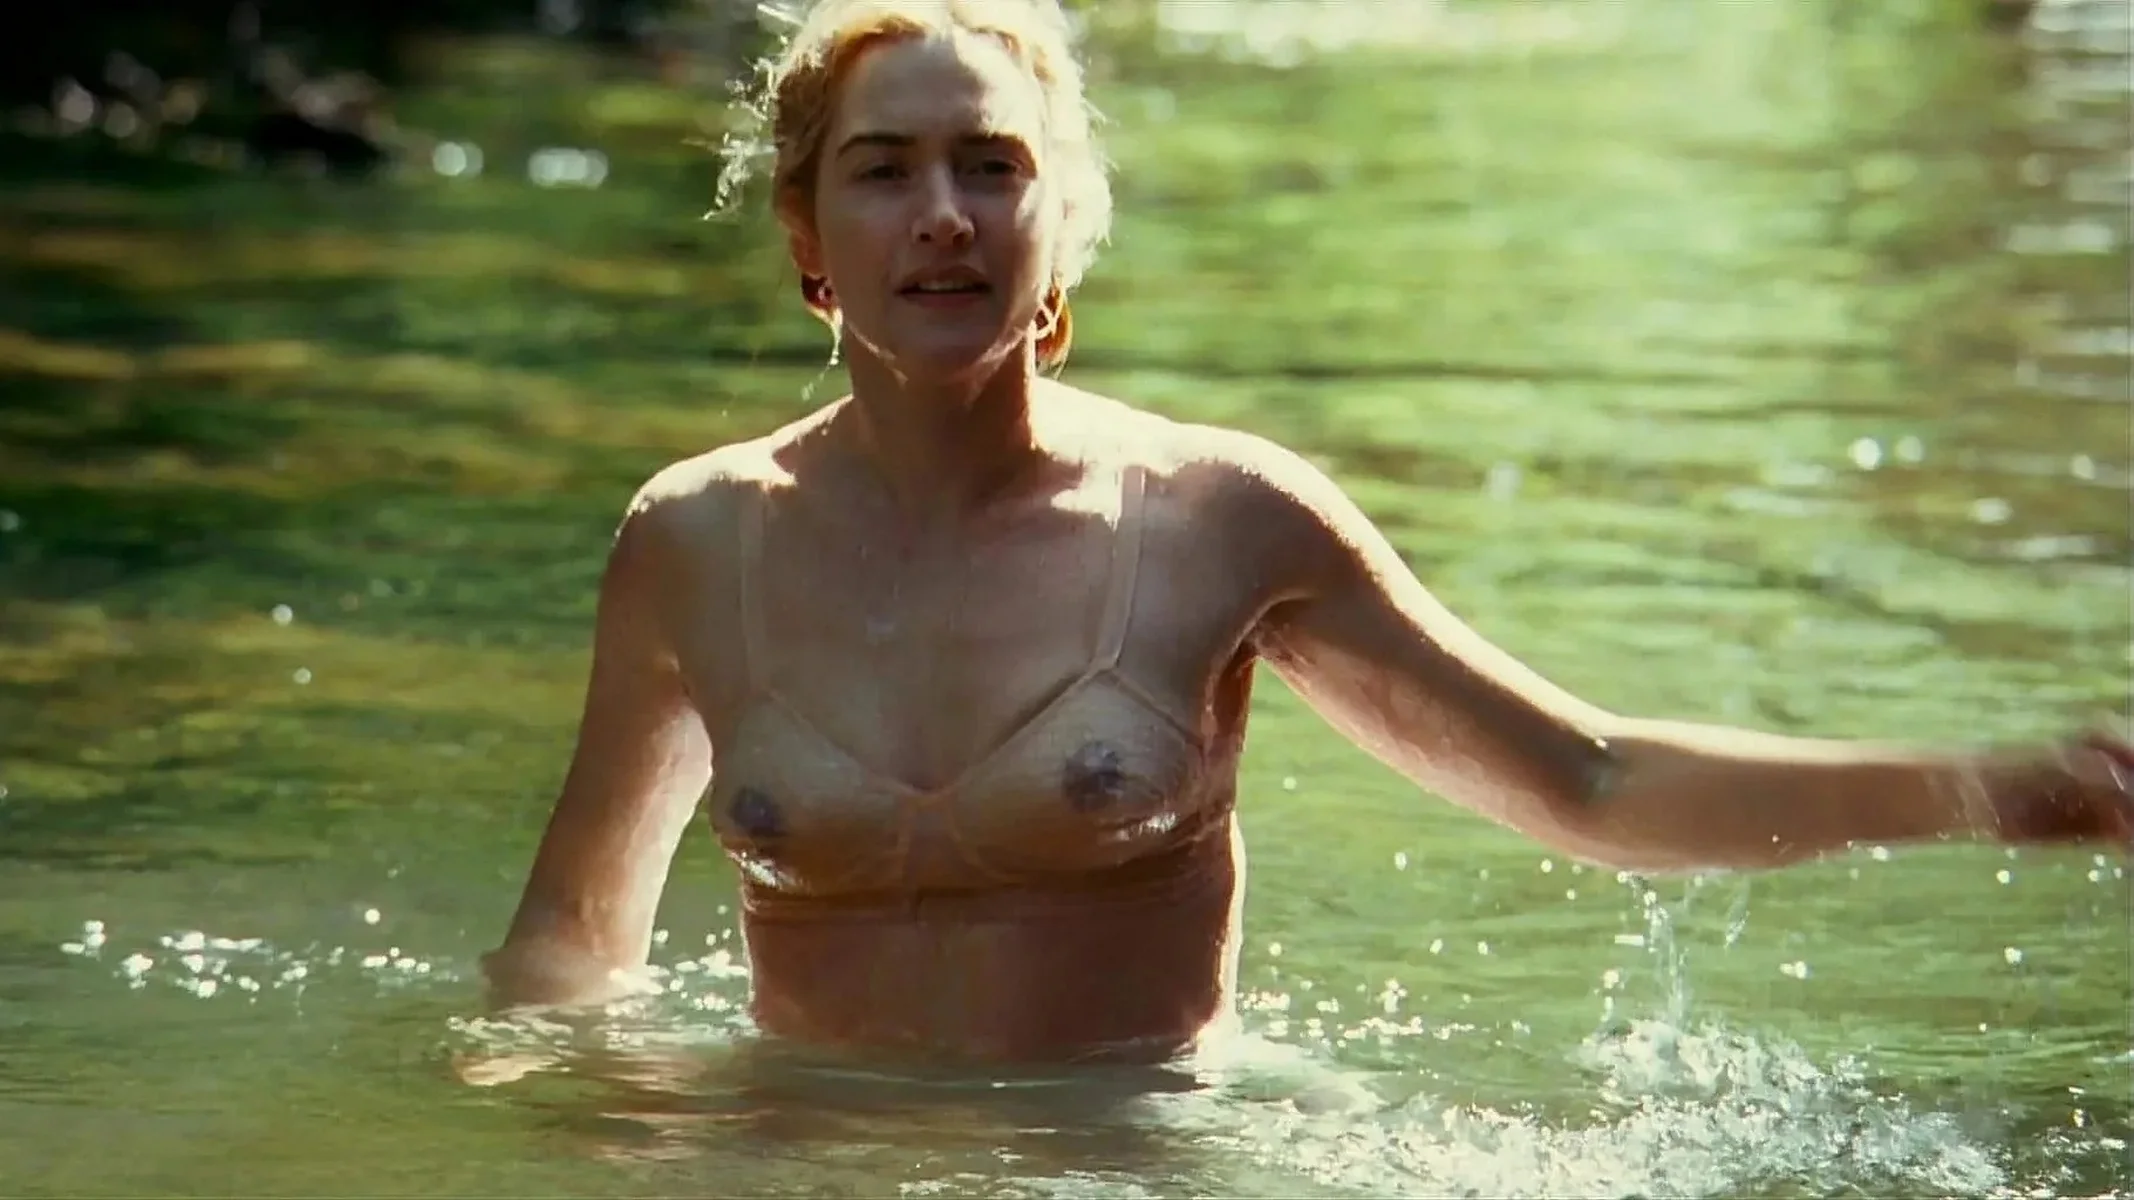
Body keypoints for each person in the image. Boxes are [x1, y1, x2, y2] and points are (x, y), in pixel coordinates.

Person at [480, 0, 2133, 1066]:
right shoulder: (692, 543)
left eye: (993, 167)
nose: (942, 218)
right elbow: (568, 954)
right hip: (798, 1167)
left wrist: (1990, 789)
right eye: (882, 171)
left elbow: (1590, 784)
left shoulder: (1218, 523)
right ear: (805, 235)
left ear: (1060, 232)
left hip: (1141, 1163)